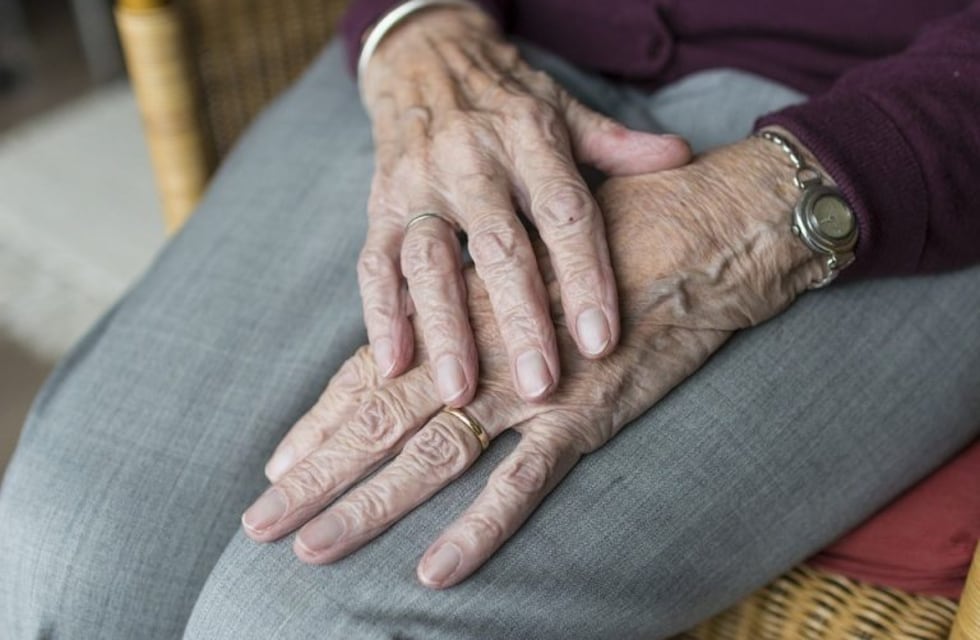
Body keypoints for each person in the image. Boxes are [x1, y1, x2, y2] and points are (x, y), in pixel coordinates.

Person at [1, 1, 978, 638]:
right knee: (67, 551)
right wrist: (414, 25)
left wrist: (764, 209)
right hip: (482, 39)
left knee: (313, 618)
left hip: (891, 125)